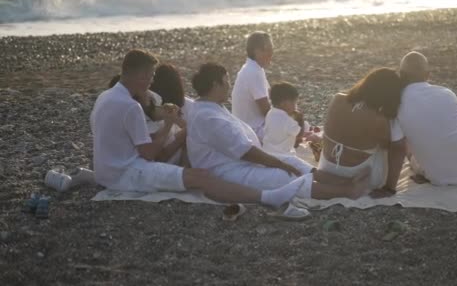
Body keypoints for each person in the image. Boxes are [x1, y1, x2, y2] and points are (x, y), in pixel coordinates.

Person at [91, 49, 305, 209]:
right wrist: (168, 125)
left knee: (194, 171)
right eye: (151, 75)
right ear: (141, 76)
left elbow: (136, 141)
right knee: (201, 177)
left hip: (105, 169)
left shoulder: (106, 96)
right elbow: (148, 155)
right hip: (125, 173)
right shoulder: (131, 107)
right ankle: (266, 197)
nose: (152, 80)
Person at [187, 63, 371, 201]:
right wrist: (277, 164)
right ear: (215, 84)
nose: (229, 86)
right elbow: (245, 151)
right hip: (227, 172)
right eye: (226, 82)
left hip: (241, 162)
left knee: (291, 160)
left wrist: (280, 161)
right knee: (285, 175)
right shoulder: (208, 117)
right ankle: (347, 191)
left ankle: (342, 181)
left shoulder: (212, 108)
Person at [389, 51, 457, 186]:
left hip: (439, 176)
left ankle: (422, 167)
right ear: (428, 75)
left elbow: (398, 146)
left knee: (404, 140)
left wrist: (389, 188)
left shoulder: (396, 103)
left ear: (401, 75)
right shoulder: (447, 93)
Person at [320, 68, 402, 193]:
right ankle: (389, 185)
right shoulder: (379, 119)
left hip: (326, 168)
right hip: (357, 176)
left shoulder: (337, 98)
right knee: (394, 144)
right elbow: (387, 147)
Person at [231, 31, 273, 140]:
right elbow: (266, 110)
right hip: (252, 130)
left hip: (248, 127)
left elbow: (272, 97)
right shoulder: (253, 71)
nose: (271, 54)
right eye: (267, 49)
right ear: (256, 51)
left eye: (271, 49)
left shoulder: (252, 68)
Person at [262, 82, 305, 156]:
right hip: (282, 156)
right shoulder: (286, 120)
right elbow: (299, 135)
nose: (295, 106)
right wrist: (300, 118)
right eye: (294, 103)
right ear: (283, 103)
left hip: (267, 152)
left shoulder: (270, 113)